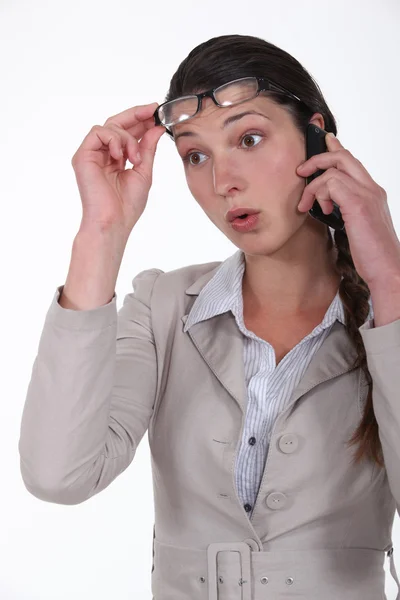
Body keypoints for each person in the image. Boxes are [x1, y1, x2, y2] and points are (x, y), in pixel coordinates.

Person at [18, 34, 400, 599]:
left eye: (249, 138)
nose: (224, 183)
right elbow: (59, 475)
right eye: (196, 156)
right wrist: (103, 232)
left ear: (317, 137)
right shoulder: (163, 306)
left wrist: (389, 280)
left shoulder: (387, 316)